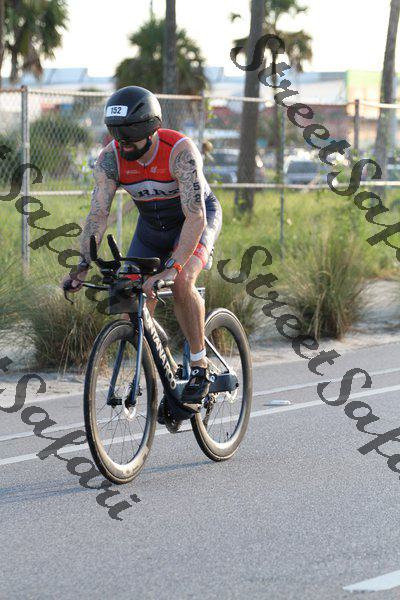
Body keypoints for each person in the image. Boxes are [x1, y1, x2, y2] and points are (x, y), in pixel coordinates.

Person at [62, 85, 222, 410]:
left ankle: (200, 365)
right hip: (151, 230)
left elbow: (195, 217)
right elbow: (98, 215)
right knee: (129, 300)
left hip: (195, 220)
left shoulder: (179, 151)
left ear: (151, 131)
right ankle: (165, 366)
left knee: (181, 281)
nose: (124, 147)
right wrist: (82, 266)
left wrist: (172, 267)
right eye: (118, 139)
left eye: (130, 140)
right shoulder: (110, 159)